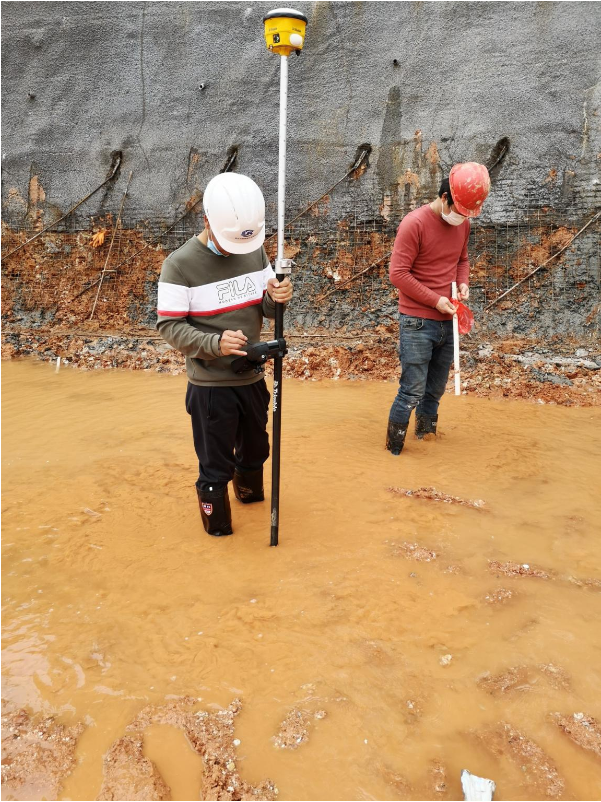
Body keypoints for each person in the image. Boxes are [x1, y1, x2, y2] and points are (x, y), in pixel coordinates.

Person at [156, 173, 292, 536]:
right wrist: (214, 344)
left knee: (256, 452)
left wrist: (275, 297)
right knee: (215, 467)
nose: (235, 250)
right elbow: (169, 327)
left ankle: (249, 497)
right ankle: (218, 532)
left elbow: (265, 306)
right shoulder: (178, 265)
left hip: (252, 376)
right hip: (211, 386)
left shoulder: (253, 247)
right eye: (229, 241)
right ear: (207, 221)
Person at [386, 162, 490, 455]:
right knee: (411, 390)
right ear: (445, 198)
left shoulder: (464, 223)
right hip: (417, 322)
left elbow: (461, 260)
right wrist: (435, 300)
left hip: (448, 319)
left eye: (467, 214)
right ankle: (394, 450)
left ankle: (426, 437)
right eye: (460, 211)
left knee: (434, 390)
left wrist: (463, 282)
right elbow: (398, 274)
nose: (462, 218)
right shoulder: (414, 224)